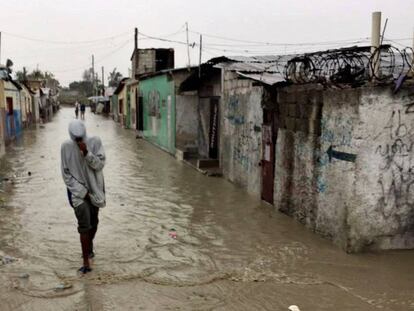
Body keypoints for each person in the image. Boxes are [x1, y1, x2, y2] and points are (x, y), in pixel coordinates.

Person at [61, 120, 106, 274]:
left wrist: (87, 153)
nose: (79, 141)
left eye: (81, 138)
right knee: (84, 226)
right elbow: (66, 174)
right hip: (77, 194)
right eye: (76, 139)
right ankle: (86, 261)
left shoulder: (95, 141)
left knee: (94, 221)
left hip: (95, 190)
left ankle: (89, 246)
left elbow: (99, 165)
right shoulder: (66, 147)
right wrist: (82, 192)